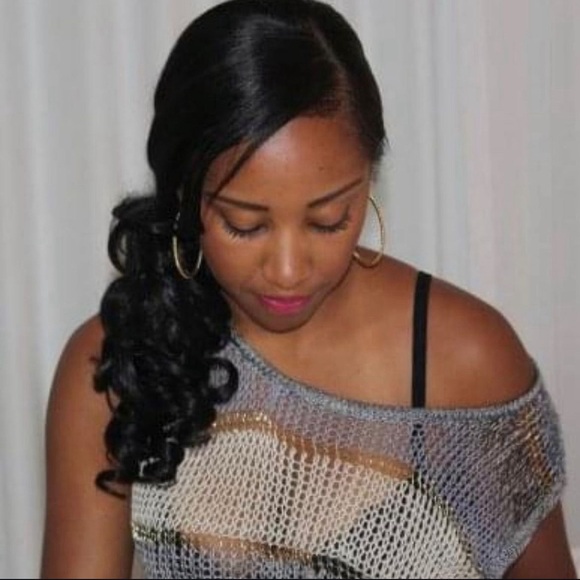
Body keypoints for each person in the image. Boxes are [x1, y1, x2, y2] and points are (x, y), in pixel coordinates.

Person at [41, 0, 577, 578]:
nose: (289, 270)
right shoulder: (119, 364)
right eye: (244, 225)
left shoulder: (465, 359)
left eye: (328, 220)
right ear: (184, 198)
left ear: (369, 181)